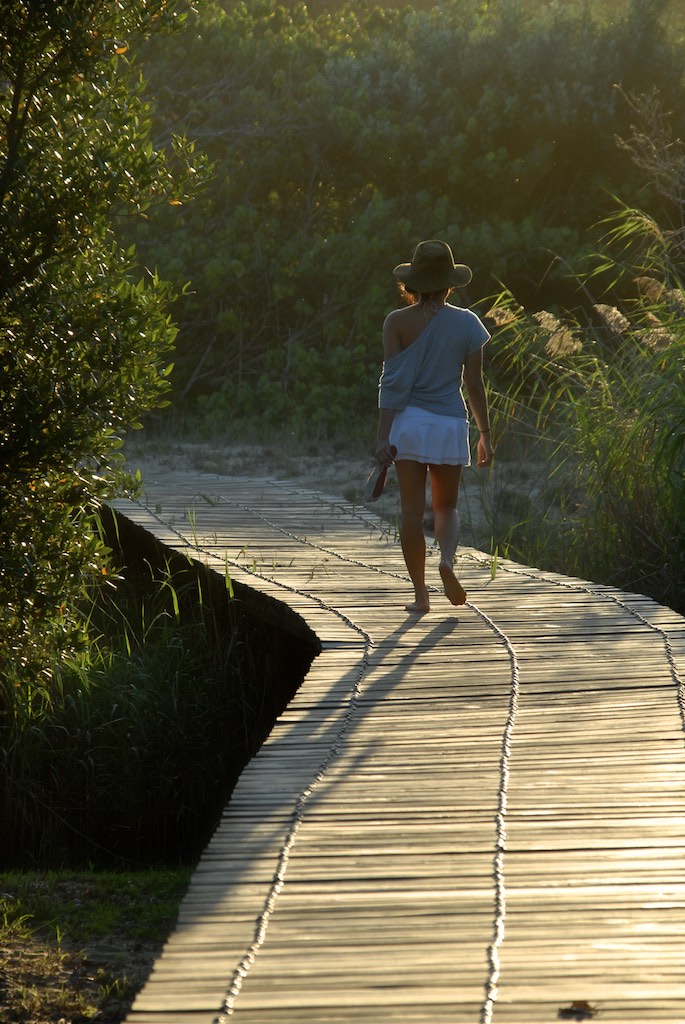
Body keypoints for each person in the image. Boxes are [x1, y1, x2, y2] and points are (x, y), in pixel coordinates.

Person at [374, 239, 494, 613]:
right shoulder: (468, 323)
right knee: (447, 507)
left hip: (408, 425)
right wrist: (485, 435)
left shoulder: (396, 322)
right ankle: (446, 561)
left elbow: (391, 382)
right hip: (448, 423)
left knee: (411, 511)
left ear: (411, 284)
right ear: (449, 284)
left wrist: (382, 437)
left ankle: (421, 595)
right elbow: (473, 385)